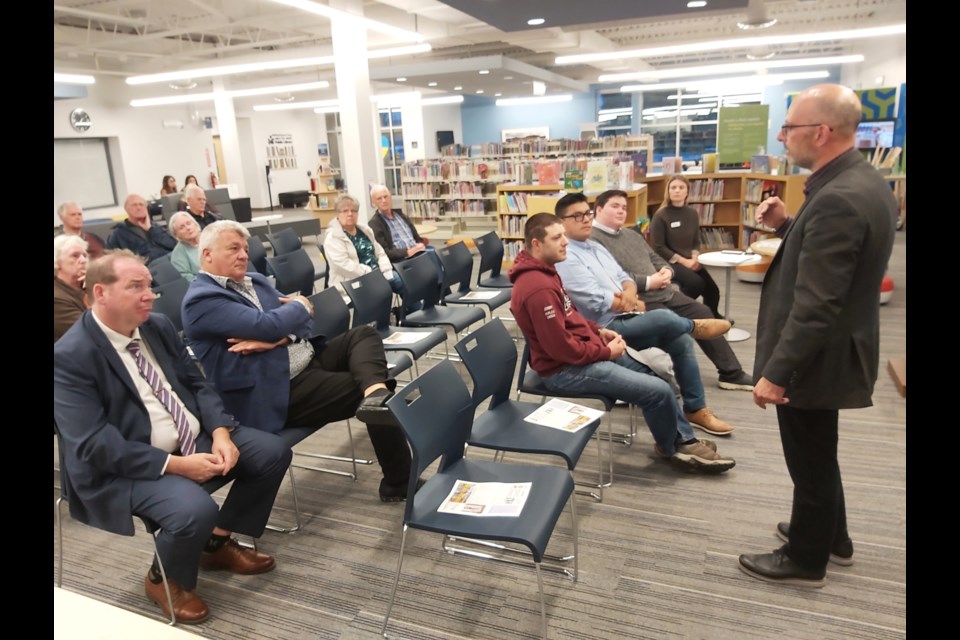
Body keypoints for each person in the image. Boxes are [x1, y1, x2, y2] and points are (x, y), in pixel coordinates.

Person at [54, 250, 293, 624]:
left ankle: (213, 544)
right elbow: (92, 444)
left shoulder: (157, 325)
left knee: (271, 452)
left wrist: (220, 432)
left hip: (188, 439)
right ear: (100, 292)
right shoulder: (70, 355)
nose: (149, 294)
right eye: (136, 287)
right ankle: (163, 579)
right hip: (125, 466)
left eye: (149, 285)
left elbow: (198, 383)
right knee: (195, 509)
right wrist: (175, 465)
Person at [738, 84, 896, 587]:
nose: (783, 138)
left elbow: (817, 302)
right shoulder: (861, 180)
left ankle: (806, 558)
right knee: (818, 452)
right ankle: (833, 536)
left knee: (808, 458)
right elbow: (834, 260)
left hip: (816, 356)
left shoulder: (838, 197)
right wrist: (789, 224)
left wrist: (777, 373)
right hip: (836, 346)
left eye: (789, 128)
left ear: (822, 132)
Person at [181, 220, 416, 502]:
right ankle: (399, 482)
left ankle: (375, 395)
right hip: (276, 389)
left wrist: (282, 336)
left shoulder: (253, 280)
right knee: (363, 388)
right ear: (207, 254)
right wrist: (294, 310)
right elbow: (272, 322)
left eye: (245, 248)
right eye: (233, 248)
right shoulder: (201, 301)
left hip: (304, 356)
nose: (244, 255)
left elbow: (304, 319)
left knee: (363, 335)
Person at [509, 212, 736, 474]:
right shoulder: (537, 287)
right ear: (536, 244)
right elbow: (560, 349)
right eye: (557, 237)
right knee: (657, 391)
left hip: (581, 353)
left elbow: (570, 316)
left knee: (655, 378)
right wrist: (605, 352)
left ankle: (682, 438)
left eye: (563, 235)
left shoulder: (546, 270)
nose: (565, 242)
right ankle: (674, 447)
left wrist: (598, 331)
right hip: (563, 370)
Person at [553, 192, 736, 437]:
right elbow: (595, 299)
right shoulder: (567, 257)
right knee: (663, 318)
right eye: (577, 216)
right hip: (603, 327)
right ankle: (694, 327)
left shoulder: (595, 247)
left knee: (680, 341)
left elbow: (623, 277)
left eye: (586, 213)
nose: (585, 219)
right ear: (561, 223)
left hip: (626, 314)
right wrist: (629, 300)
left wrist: (629, 294)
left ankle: (696, 408)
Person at [589, 189, 755, 391]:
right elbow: (611, 277)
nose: (621, 211)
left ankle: (731, 373)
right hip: (639, 299)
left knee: (702, 311)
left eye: (624, 207)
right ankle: (670, 385)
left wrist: (666, 271)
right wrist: (651, 281)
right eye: (614, 206)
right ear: (598, 209)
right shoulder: (593, 241)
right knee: (674, 328)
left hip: (664, 291)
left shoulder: (631, 234)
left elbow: (655, 258)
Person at [323, 195, 419, 314]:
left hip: (378, 273)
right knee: (381, 291)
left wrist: (385, 268)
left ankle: (416, 315)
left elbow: (379, 252)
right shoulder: (333, 237)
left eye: (353, 211)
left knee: (403, 281)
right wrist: (371, 273)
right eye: (345, 211)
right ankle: (383, 322)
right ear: (337, 214)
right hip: (354, 280)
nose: (350, 214)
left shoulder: (364, 230)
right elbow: (343, 266)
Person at [650, 175, 723, 319]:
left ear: (687, 192)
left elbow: (696, 241)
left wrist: (695, 257)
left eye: (681, 187)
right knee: (696, 284)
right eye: (673, 187)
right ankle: (678, 312)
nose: (677, 191)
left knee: (713, 290)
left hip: (690, 259)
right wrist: (685, 262)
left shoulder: (692, 214)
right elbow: (658, 247)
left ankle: (712, 317)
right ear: (668, 191)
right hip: (668, 261)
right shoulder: (660, 215)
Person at [106, 194, 177, 263]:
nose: (138, 207)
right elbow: (110, 258)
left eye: (141, 204)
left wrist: (151, 229)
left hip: (171, 263)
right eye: (134, 205)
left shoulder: (155, 227)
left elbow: (173, 245)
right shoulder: (118, 234)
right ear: (126, 209)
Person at [54, 234, 89, 342]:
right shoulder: (56, 298)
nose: (83, 260)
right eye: (75, 256)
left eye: (84, 255)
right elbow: (91, 331)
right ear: (57, 262)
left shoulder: (87, 285)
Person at [169, 212, 201, 281]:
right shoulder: (178, 254)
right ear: (176, 234)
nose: (188, 228)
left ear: (195, 224)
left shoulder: (209, 238)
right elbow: (186, 278)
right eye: (181, 227)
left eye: (189, 223)